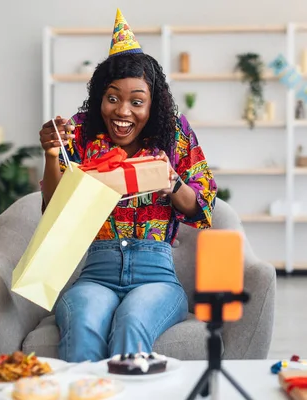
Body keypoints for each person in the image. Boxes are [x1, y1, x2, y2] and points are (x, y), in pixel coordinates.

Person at [38, 9, 217, 362]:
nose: (123, 111)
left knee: (132, 321)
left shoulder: (174, 134)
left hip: (157, 276)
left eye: (137, 101)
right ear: (99, 98)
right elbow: (53, 210)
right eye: (113, 97)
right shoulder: (81, 132)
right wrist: (51, 153)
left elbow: (203, 203)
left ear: (153, 105)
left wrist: (171, 181)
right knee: (85, 322)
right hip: (96, 273)